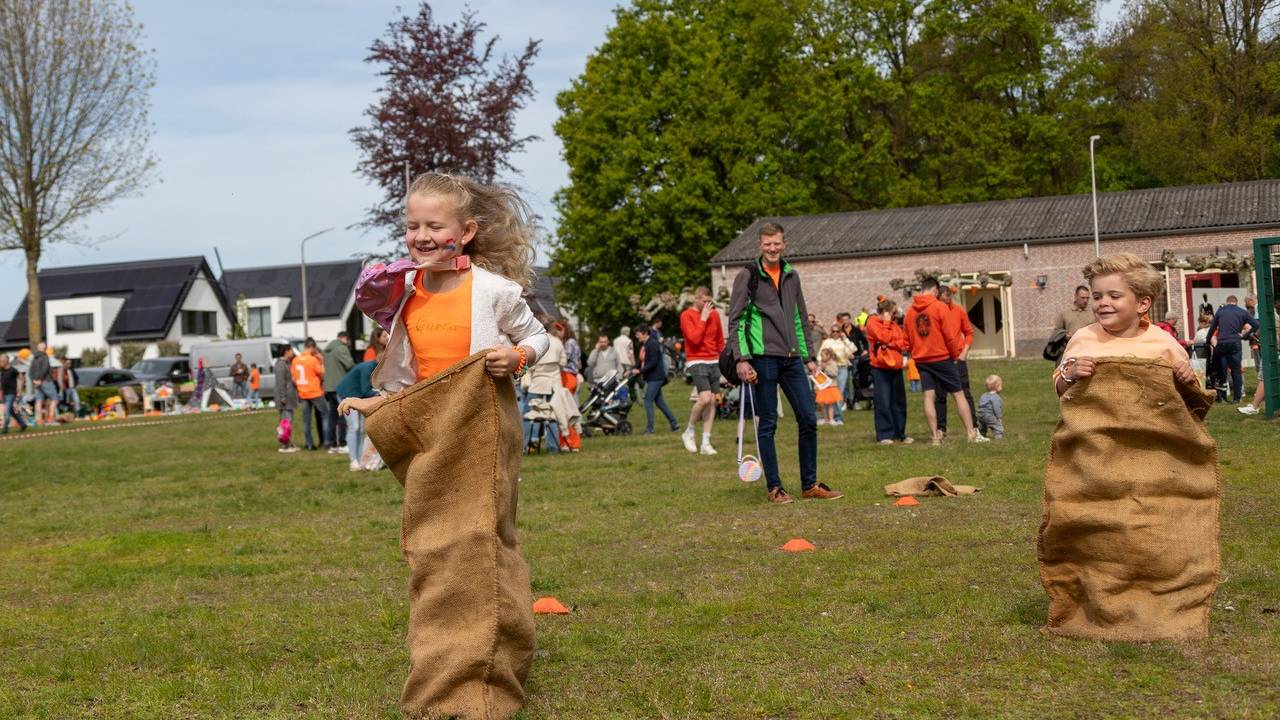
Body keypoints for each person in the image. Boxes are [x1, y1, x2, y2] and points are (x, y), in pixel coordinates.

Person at [340, 171, 548, 718]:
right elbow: (406, 376)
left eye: (435, 225)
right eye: (413, 226)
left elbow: (539, 336)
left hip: (483, 425)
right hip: (430, 430)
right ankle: (449, 666)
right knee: (436, 548)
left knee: (481, 541)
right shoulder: (405, 292)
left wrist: (519, 358)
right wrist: (375, 405)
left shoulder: (494, 290)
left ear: (468, 231)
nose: (422, 236)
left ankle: (483, 677)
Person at [726, 221, 843, 504]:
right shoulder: (748, 275)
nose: (773, 248)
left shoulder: (792, 275)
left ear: (784, 244)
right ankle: (774, 488)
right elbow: (736, 320)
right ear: (759, 246)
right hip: (763, 359)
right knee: (767, 424)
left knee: (808, 417)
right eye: (767, 244)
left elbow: (801, 318)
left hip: (792, 360)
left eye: (777, 243)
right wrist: (741, 358)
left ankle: (810, 484)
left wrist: (809, 358)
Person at [1055, 254, 1194, 394]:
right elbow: (1060, 390)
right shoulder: (1083, 338)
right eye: (1097, 297)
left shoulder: (1165, 343)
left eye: (1114, 296)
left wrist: (1187, 376)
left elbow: (1191, 394)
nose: (1102, 302)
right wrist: (1071, 375)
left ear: (1142, 304)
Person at [905, 277, 985, 445]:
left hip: (921, 359)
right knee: (959, 393)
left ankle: (935, 437)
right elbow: (949, 336)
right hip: (942, 357)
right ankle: (971, 433)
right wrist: (955, 354)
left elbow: (907, 340)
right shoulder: (939, 307)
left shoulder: (910, 312)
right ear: (934, 290)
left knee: (928, 396)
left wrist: (916, 352)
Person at [679, 286, 725, 454]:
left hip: (714, 360)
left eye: (709, 302)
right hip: (697, 360)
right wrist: (703, 319)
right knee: (704, 398)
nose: (708, 305)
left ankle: (706, 442)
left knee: (713, 400)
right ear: (696, 299)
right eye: (704, 302)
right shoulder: (686, 315)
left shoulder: (715, 314)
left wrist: (725, 360)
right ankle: (689, 431)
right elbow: (694, 339)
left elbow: (719, 339)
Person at [865, 298, 911, 444]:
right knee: (883, 400)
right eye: (893, 312)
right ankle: (884, 435)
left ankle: (899, 433)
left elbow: (903, 342)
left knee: (898, 401)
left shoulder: (894, 324)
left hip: (895, 366)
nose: (895, 315)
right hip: (881, 367)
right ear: (886, 312)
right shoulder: (872, 323)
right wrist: (886, 324)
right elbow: (883, 337)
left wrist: (891, 343)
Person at [934, 285, 975, 437]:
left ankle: (974, 427)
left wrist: (964, 352)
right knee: (940, 395)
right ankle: (941, 429)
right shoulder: (934, 312)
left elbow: (969, 332)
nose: (947, 303)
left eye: (949, 300)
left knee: (965, 393)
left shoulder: (958, 310)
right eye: (944, 300)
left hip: (958, 358)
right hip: (940, 358)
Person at [1207, 295, 1254, 403]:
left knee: (1221, 371)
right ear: (1236, 302)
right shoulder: (1241, 312)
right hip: (1235, 343)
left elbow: (1212, 330)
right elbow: (1255, 325)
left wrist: (1208, 342)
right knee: (1236, 371)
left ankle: (1223, 397)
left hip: (1222, 344)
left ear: (1227, 302)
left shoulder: (1221, 312)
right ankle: (1237, 398)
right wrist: (1244, 336)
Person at [635, 325, 678, 434]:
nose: (636, 336)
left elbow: (653, 363)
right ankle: (675, 424)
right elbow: (641, 361)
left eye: (638, 334)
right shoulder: (644, 345)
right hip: (650, 377)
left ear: (644, 333)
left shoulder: (652, 344)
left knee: (648, 401)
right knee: (660, 403)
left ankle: (650, 429)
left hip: (656, 377)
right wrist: (633, 369)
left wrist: (640, 371)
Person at [336, 359, 378, 471]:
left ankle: (360, 459)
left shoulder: (373, 367)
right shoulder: (368, 368)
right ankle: (353, 461)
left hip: (357, 396)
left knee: (360, 429)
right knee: (354, 427)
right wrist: (381, 393)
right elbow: (366, 390)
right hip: (347, 396)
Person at [292, 338, 328, 450]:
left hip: (303, 393)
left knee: (306, 420)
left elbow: (293, 378)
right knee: (325, 415)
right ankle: (327, 441)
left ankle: (309, 444)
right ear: (312, 347)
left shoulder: (295, 360)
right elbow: (322, 373)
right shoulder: (313, 360)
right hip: (315, 392)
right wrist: (321, 361)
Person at [323, 332, 355, 452]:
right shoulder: (341, 348)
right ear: (344, 338)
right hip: (340, 386)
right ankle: (342, 443)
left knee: (332, 416)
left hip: (329, 387)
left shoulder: (327, 350)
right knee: (342, 415)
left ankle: (331, 443)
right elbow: (350, 364)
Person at [819, 325, 854, 425]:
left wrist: (846, 339)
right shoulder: (827, 342)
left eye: (837, 331)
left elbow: (853, 350)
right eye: (833, 331)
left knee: (839, 393)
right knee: (829, 394)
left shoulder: (843, 341)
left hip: (842, 368)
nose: (835, 333)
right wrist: (819, 365)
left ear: (840, 332)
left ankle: (837, 417)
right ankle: (830, 417)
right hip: (828, 368)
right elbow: (820, 354)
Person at [274, 346, 299, 453]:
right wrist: (283, 397)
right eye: (291, 350)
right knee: (286, 422)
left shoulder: (287, 363)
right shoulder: (280, 365)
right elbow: (280, 383)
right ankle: (285, 446)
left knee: (288, 422)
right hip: (285, 399)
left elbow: (289, 379)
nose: (292, 352)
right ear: (286, 352)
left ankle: (289, 443)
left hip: (289, 398)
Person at [27, 342, 57, 426]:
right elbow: (45, 369)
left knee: (39, 400)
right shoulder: (44, 356)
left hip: (37, 383)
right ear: (45, 348)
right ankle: (51, 419)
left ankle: (39, 420)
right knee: (54, 399)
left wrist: (34, 380)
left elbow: (30, 372)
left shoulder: (34, 358)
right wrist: (40, 380)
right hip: (46, 381)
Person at [814, 348, 843, 426]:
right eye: (821, 355)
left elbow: (834, 373)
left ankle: (831, 419)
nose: (821, 357)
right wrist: (819, 369)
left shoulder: (833, 363)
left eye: (823, 355)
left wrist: (825, 368)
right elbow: (817, 374)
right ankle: (825, 419)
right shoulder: (820, 363)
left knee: (830, 404)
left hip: (831, 386)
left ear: (828, 356)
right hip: (822, 387)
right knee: (822, 404)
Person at [1, 354, 27, 434]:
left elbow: (22, 378)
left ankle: (5, 429)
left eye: (1, 361)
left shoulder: (13, 370)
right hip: (5, 394)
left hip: (11, 394)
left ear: (6, 361)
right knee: (11, 411)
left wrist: (19, 390)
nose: (0, 362)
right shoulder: (3, 371)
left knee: (7, 412)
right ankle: (23, 424)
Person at [977, 374, 1004, 439]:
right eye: (1001, 385)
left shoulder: (983, 395)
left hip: (980, 415)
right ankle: (999, 437)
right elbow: (996, 408)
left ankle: (982, 435)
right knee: (997, 426)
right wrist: (998, 417)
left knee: (983, 426)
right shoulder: (996, 397)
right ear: (997, 386)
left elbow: (980, 404)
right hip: (989, 415)